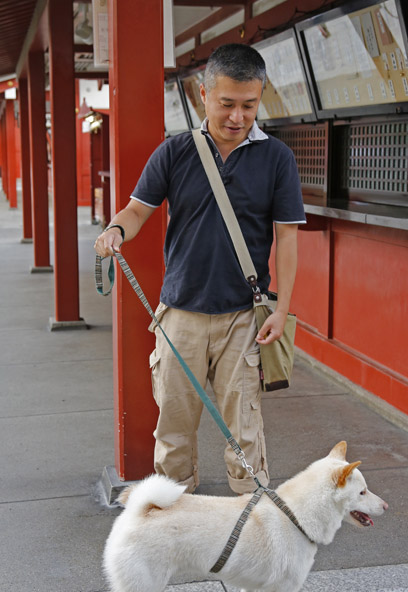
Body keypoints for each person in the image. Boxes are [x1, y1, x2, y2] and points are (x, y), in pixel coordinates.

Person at [94, 43, 306, 494]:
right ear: (203, 95)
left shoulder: (277, 158)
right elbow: (137, 210)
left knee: (245, 430)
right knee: (173, 428)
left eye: (249, 105)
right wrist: (115, 230)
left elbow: (287, 238)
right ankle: (171, 514)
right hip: (181, 313)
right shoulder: (174, 152)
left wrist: (281, 309)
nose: (237, 116)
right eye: (227, 103)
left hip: (243, 317)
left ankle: (251, 514)